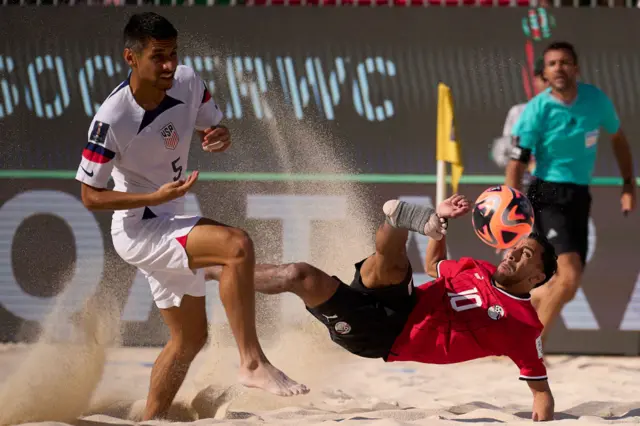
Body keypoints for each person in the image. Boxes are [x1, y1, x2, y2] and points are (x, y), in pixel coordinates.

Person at [75, 12, 307, 420]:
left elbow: (214, 127)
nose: (169, 65)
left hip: (170, 216)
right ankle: (252, 362)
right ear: (131, 58)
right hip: (139, 227)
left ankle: (151, 418)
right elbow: (90, 196)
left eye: (174, 54)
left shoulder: (187, 81)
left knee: (189, 339)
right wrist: (153, 195)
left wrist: (219, 136)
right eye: (158, 56)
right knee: (237, 246)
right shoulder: (111, 118)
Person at [206, 196, 559, 421]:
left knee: (300, 275)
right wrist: (441, 222)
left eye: (524, 255)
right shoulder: (475, 268)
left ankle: (216, 272)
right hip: (406, 301)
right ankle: (399, 218)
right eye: (514, 247)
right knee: (390, 263)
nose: (512, 253)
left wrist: (541, 416)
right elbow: (436, 260)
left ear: (537, 277)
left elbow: (541, 393)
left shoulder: (523, 325)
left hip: (386, 336)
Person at [506, 41, 637, 343]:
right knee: (569, 275)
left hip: (578, 195)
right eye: (552, 64)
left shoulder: (596, 101)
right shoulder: (536, 110)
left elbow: (618, 139)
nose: (559, 68)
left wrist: (628, 184)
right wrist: (513, 206)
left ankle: (521, 320)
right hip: (546, 195)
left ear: (576, 68)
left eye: (565, 62)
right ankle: (532, 348)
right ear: (545, 73)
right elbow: (517, 163)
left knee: (565, 284)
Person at [492, 58, 548, 186]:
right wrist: (527, 163)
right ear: (536, 81)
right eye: (544, 79)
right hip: (525, 186)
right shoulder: (519, 112)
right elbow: (504, 154)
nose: (549, 85)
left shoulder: (572, 115)